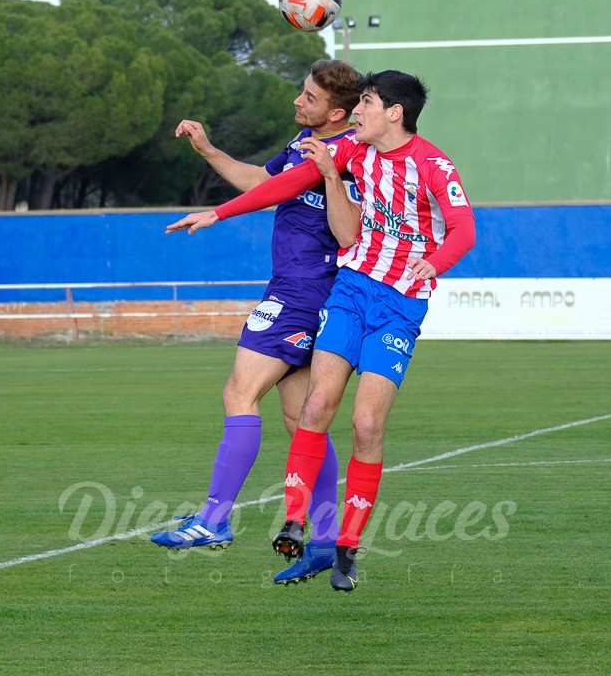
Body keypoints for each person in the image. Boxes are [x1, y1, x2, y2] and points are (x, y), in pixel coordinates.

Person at [167, 70, 477, 591]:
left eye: (367, 103)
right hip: (347, 292)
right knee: (307, 412)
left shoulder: (429, 164)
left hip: (364, 300)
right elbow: (279, 184)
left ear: (392, 112)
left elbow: (463, 226)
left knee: (352, 423)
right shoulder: (346, 150)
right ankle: (306, 529)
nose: (359, 111)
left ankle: (256, 527)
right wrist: (219, 209)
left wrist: (436, 263)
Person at [151, 60, 363, 587]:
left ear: (338, 112)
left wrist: (217, 214)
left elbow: (331, 221)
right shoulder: (306, 143)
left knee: (239, 395)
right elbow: (263, 181)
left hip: (303, 292)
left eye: (309, 98)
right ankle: (322, 538)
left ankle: (214, 520)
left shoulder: (350, 153)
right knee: (302, 420)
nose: (298, 100)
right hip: (307, 292)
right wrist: (206, 148)